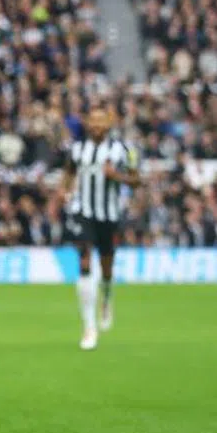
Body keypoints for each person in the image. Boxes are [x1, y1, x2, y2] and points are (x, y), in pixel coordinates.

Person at [54, 107, 140, 351]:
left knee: (106, 267)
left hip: (109, 215)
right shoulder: (77, 149)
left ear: (109, 123)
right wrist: (63, 190)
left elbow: (136, 180)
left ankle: (107, 297)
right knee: (84, 261)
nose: (97, 125)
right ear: (87, 123)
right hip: (83, 211)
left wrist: (117, 176)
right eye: (93, 121)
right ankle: (89, 327)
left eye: (101, 121)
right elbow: (68, 173)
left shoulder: (124, 150)